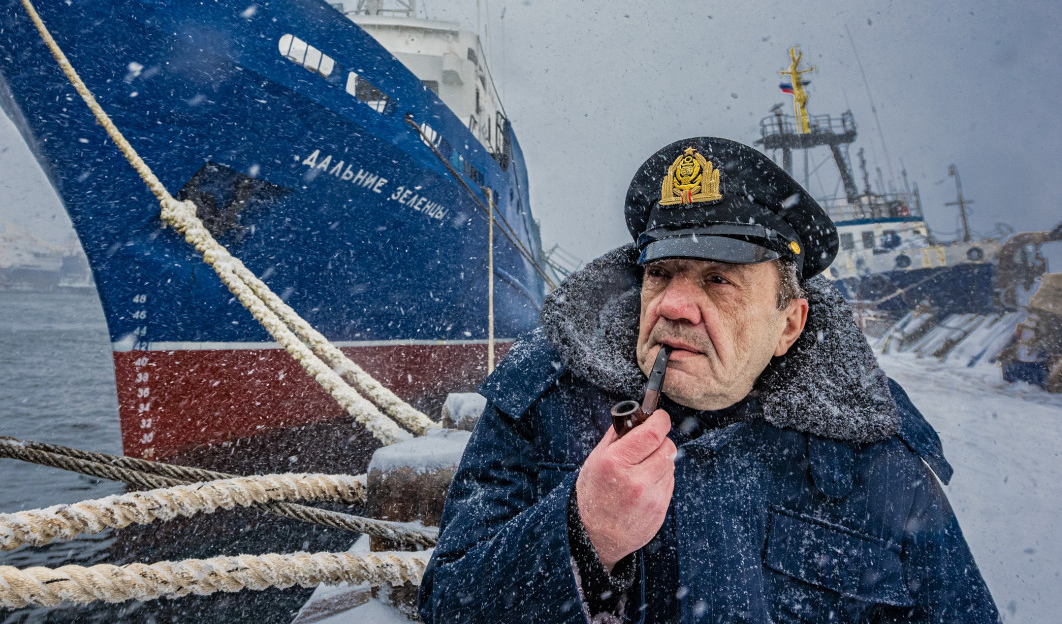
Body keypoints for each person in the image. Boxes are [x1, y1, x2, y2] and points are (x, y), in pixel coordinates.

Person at [418, 137, 999, 623]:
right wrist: (583, 531)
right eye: (662, 272)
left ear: (788, 325)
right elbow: (448, 605)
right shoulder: (541, 403)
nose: (673, 304)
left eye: (720, 280)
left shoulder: (875, 458)